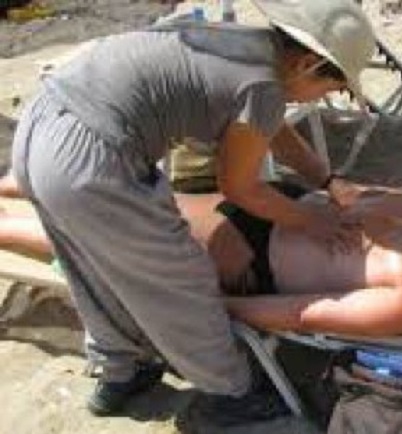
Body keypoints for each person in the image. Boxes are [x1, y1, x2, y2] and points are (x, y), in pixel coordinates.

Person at [10, 0, 376, 425]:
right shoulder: (262, 85)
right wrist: (312, 220)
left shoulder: (247, 46)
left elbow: (271, 128)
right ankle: (230, 392)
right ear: (309, 64)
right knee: (181, 277)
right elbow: (240, 189)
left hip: (41, 127)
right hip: (90, 156)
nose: (326, 97)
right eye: (332, 88)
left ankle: (119, 370)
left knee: (92, 265)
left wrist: (326, 180)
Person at [0, 174, 402, 338]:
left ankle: (20, 176)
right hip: (244, 258)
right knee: (78, 237)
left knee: (115, 194)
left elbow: (359, 195)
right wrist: (218, 307)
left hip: (278, 204)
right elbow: (308, 313)